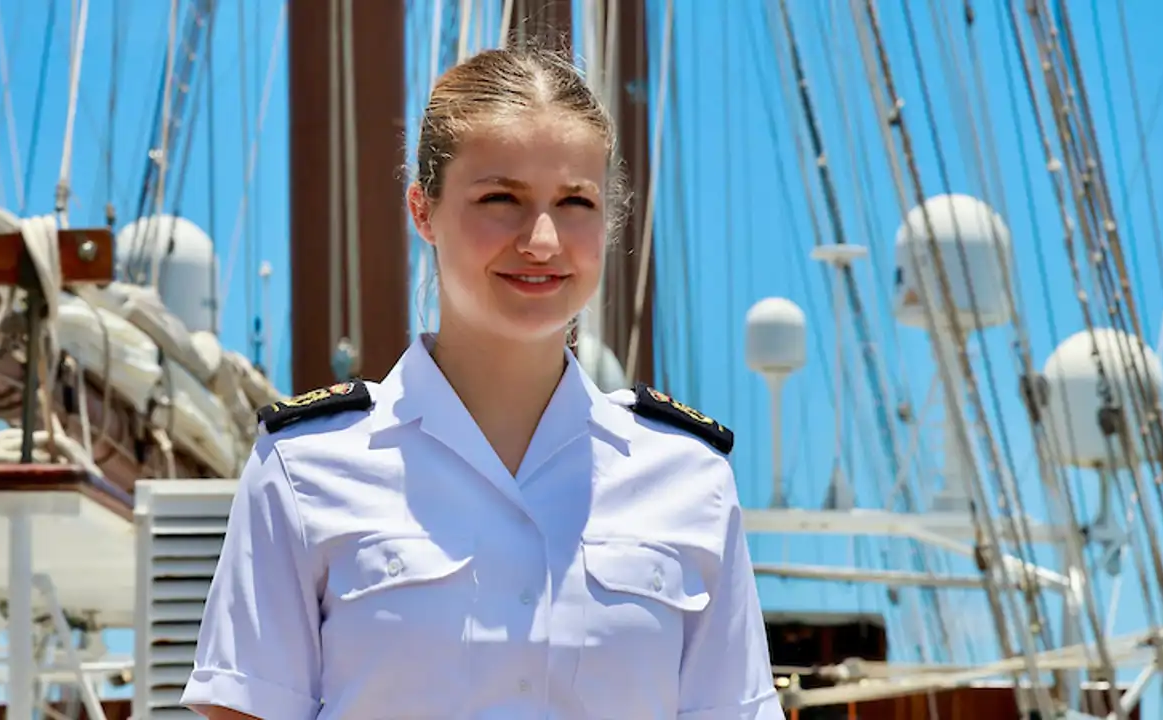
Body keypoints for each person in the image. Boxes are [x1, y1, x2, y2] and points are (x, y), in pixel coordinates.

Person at [181, 43, 781, 720]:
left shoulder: (689, 477)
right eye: (501, 198)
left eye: (575, 201)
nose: (543, 241)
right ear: (422, 210)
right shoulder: (301, 468)